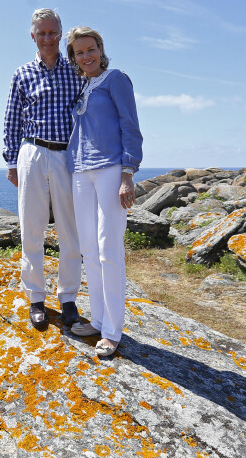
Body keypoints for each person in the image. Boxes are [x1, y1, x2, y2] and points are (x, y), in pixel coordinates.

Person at [65, 26, 143, 357]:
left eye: (91, 49)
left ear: (100, 48)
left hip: (111, 169)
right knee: (88, 250)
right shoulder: (80, 85)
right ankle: (97, 320)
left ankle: (112, 331)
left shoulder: (116, 79)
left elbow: (130, 126)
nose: (86, 56)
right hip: (80, 173)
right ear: (74, 57)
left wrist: (128, 173)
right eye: (79, 52)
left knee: (109, 250)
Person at [2, 8, 83, 329]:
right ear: (33, 36)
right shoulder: (22, 73)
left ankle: (69, 300)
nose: (48, 38)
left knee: (70, 231)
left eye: (53, 32)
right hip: (32, 152)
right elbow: (12, 120)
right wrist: (11, 162)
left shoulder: (75, 71)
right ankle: (36, 297)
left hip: (67, 156)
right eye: (42, 33)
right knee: (31, 230)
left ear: (61, 34)